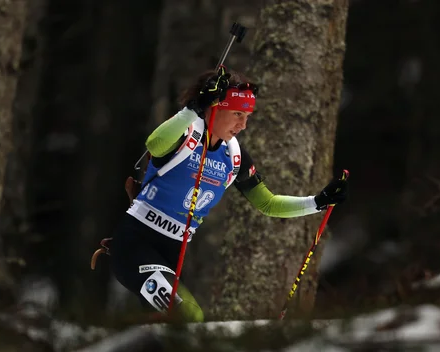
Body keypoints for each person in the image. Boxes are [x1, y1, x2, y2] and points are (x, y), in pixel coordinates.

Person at [107, 67, 348, 322]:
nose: (243, 125)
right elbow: (154, 145)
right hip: (136, 246)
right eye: (237, 114)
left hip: (172, 254)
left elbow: (268, 203)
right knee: (189, 317)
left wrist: (318, 202)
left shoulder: (234, 157)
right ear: (215, 107)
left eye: (247, 116)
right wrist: (193, 108)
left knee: (176, 329)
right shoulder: (187, 134)